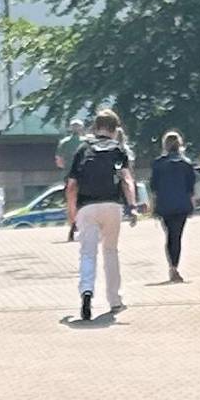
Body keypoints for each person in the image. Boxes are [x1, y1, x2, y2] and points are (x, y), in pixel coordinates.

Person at [64, 109, 137, 322]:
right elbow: (127, 179)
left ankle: (86, 292)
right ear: (115, 130)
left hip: (87, 207)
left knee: (88, 254)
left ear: (95, 128)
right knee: (111, 251)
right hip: (112, 205)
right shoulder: (118, 150)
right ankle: (115, 299)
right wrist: (131, 205)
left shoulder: (83, 150)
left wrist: (72, 214)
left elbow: (71, 186)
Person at [149, 131, 200, 283]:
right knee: (177, 235)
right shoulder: (186, 164)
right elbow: (191, 188)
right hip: (182, 204)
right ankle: (174, 266)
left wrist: (153, 205)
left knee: (169, 235)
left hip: (164, 204)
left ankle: (172, 266)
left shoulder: (158, 164)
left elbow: (154, 187)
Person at [56, 117, 89, 240]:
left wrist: (67, 166)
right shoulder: (87, 142)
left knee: (71, 202)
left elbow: (59, 162)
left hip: (69, 175)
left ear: (70, 129)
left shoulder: (64, 143)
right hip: (86, 175)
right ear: (81, 129)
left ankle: (73, 227)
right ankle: (87, 226)